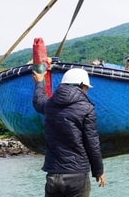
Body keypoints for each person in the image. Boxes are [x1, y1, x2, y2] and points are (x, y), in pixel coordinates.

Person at [33, 68, 106, 196]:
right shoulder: (87, 108)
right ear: (82, 85)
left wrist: (39, 82)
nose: (86, 91)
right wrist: (98, 171)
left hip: (53, 175)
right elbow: (92, 143)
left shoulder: (50, 105)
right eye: (86, 88)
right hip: (77, 175)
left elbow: (38, 101)